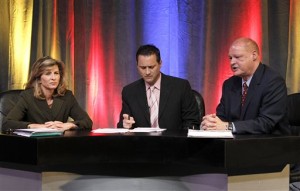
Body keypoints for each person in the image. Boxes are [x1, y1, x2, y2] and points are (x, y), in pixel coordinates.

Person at [201, 37, 289, 135]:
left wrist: (228, 126)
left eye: (237, 57)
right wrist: (211, 123)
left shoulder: (273, 82)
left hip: (268, 144)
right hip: (236, 144)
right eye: (230, 58)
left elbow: (266, 123)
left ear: (254, 55)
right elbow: (222, 117)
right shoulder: (229, 84)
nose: (232, 62)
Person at [117, 44, 200, 129]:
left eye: (151, 67)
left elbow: (192, 122)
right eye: (143, 67)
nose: (147, 72)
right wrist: (125, 125)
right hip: (141, 141)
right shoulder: (129, 92)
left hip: (174, 141)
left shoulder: (181, 87)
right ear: (137, 66)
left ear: (160, 63)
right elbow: (123, 123)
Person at [2, 56, 93, 132]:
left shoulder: (67, 96)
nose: (53, 78)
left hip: (59, 144)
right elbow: (7, 124)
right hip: (34, 145)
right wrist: (34, 126)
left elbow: (87, 121)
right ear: (39, 78)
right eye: (48, 74)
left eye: (56, 73)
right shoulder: (28, 96)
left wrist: (69, 125)